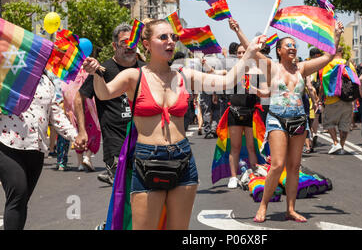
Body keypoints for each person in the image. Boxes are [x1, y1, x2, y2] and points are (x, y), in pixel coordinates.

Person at [82, 18, 267, 229]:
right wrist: (96, 73)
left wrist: (250, 52)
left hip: (183, 160)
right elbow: (104, 93)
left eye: (173, 37)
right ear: (146, 44)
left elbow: (227, 82)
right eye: (163, 37)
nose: (170, 41)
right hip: (147, 161)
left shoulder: (184, 75)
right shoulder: (134, 76)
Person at [228, 17, 344, 223]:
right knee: (277, 164)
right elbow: (252, 51)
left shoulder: (303, 68)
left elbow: (328, 56)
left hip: (298, 121)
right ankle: (263, 206)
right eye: (287, 46)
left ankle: (290, 208)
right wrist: (238, 31)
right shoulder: (272, 67)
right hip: (277, 120)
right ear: (279, 51)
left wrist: (336, 35)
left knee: (294, 166)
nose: (292, 48)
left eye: (294, 46)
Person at [0, 73, 78, 229]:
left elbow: (55, 114)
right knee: (18, 192)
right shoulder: (6, 74)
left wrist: (75, 136)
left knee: (21, 201)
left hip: (36, 148)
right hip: (7, 144)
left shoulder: (46, 81)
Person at [75, 23, 146, 185]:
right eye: (124, 42)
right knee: (122, 188)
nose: (129, 46)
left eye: (133, 42)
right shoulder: (103, 70)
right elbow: (80, 96)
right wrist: (81, 131)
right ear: (114, 45)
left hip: (144, 140)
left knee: (142, 189)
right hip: (115, 142)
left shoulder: (145, 70)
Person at [225, 43, 268, 189]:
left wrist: (255, 90)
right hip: (235, 111)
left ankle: (254, 175)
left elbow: (265, 92)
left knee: (251, 146)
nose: (241, 54)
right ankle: (233, 177)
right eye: (239, 52)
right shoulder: (233, 70)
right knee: (235, 147)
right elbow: (219, 78)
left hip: (251, 112)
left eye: (244, 52)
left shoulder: (258, 72)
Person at [320, 47, 357, 155]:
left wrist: (320, 96)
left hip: (332, 98)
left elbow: (323, 83)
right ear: (341, 52)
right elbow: (355, 80)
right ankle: (342, 146)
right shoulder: (348, 64)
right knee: (344, 125)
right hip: (347, 98)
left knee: (329, 122)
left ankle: (335, 143)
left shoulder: (327, 64)